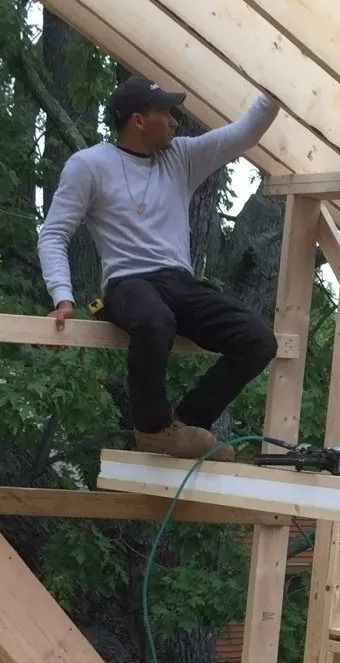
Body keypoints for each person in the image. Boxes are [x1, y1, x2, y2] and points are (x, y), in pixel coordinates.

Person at [38, 76, 281, 457]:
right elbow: (54, 234)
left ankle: (183, 426)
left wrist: (277, 91)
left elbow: (244, 133)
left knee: (258, 340)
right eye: (165, 113)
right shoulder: (89, 165)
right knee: (155, 320)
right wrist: (62, 296)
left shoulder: (180, 157)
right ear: (138, 120)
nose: (174, 121)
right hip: (127, 283)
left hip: (179, 283)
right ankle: (151, 429)